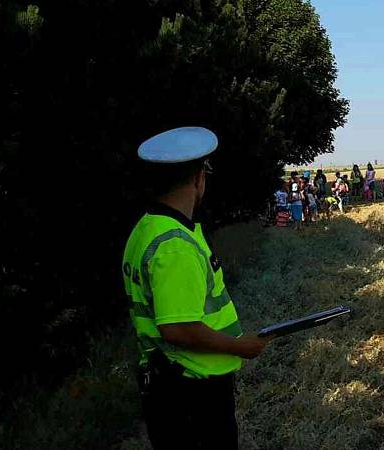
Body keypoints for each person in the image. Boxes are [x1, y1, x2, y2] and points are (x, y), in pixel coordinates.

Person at [123, 127, 273, 450]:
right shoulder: (175, 244)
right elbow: (177, 327)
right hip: (191, 392)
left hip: (168, 385)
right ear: (197, 178)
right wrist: (239, 347)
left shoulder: (147, 228)